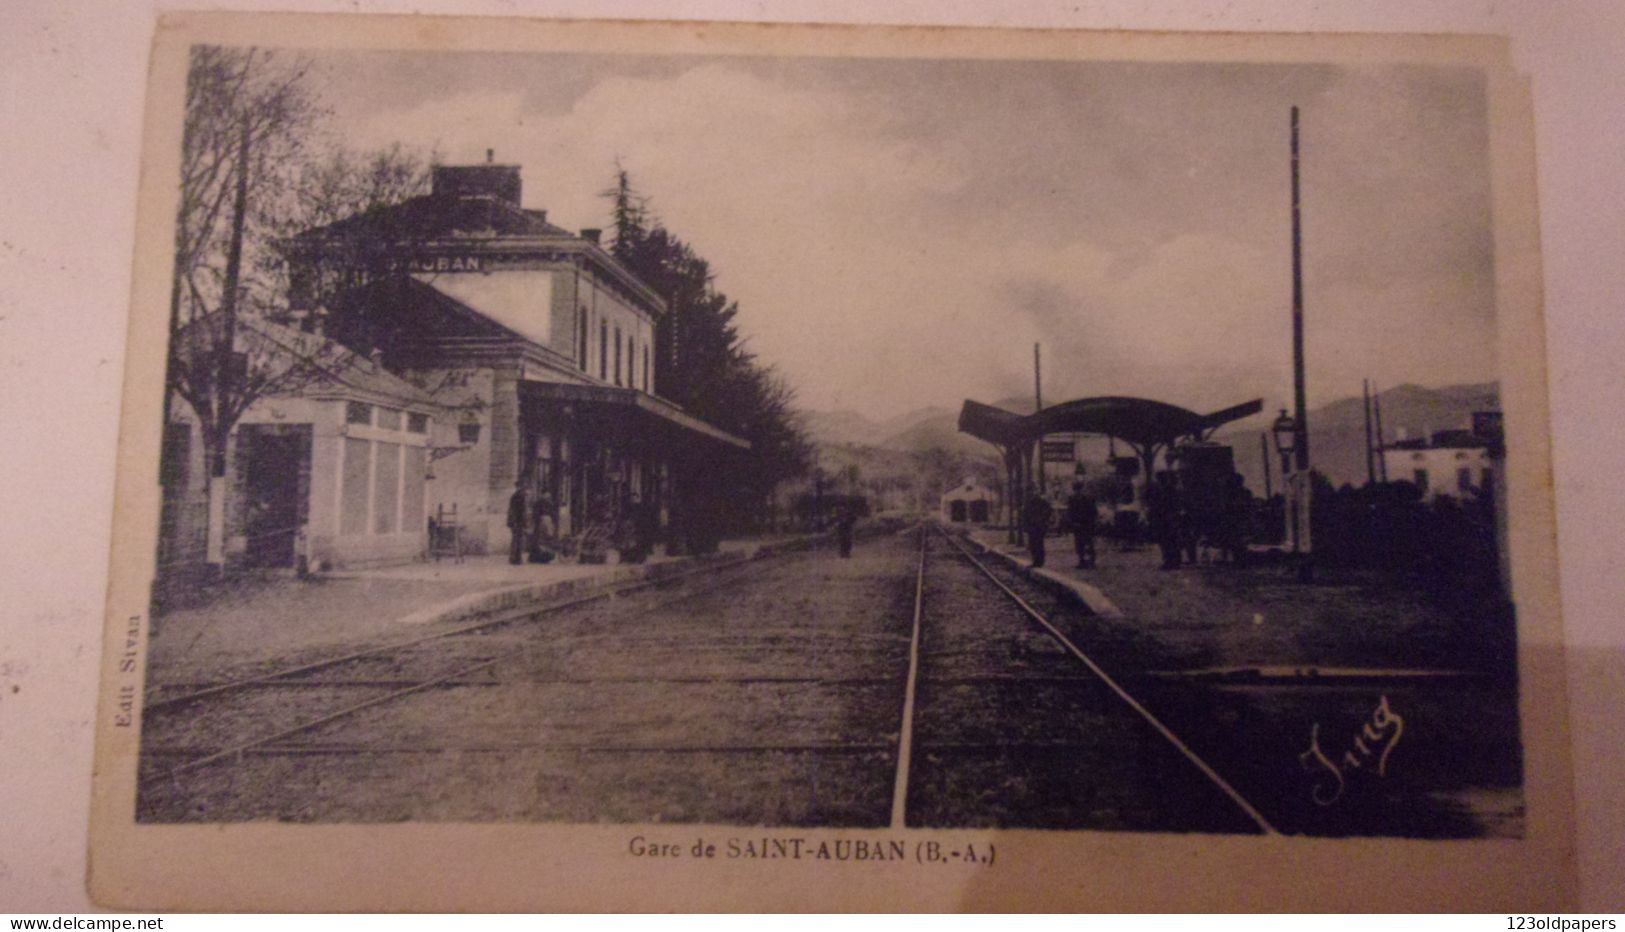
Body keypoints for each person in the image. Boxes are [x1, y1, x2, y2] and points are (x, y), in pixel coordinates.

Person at [1145, 470, 1181, 570]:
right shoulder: (1169, 489)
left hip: (1166, 519)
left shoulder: (1167, 490)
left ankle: (1170, 561)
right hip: (1168, 519)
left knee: (1167, 541)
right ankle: (1174, 561)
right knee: (1170, 540)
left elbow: (1159, 505)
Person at [1064, 480, 1098, 569]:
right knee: (1083, 543)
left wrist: (1072, 522)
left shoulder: (1079, 498)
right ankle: (1085, 561)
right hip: (1082, 524)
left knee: (1085, 543)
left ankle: (1087, 561)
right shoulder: (1082, 498)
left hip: (1083, 524)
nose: (1077, 492)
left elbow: (1070, 512)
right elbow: (1093, 511)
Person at [1022, 492, 1054, 569]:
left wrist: (1042, 519)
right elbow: (1025, 515)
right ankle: (1036, 561)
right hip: (1033, 527)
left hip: (1039, 527)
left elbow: (1049, 510)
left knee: (1038, 544)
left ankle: (1039, 561)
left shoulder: (1041, 502)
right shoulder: (1029, 503)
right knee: (1033, 545)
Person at [506, 480, 529, 565]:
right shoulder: (520, 496)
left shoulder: (515, 496)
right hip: (518, 522)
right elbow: (522, 511)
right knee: (518, 540)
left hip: (515, 522)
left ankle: (514, 558)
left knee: (515, 540)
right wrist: (524, 522)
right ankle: (517, 559)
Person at [529, 493, 557, 564]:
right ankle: (541, 558)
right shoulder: (542, 503)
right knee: (542, 541)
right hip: (542, 524)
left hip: (544, 523)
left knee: (543, 541)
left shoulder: (547, 503)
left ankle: (542, 557)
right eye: (546, 495)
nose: (548, 496)